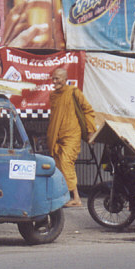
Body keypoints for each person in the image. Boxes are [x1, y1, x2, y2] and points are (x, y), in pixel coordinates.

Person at [47, 68, 96, 207]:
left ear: (64, 79)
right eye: (53, 78)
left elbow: (88, 110)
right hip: (57, 135)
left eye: (57, 78)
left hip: (72, 135)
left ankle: (76, 197)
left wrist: (91, 130)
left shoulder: (74, 92)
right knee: (58, 164)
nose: (54, 81)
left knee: (66, 162)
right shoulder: (53, 95)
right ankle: (66, 196)